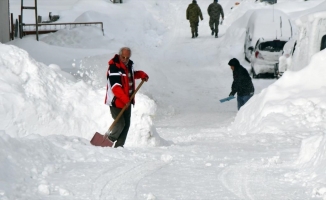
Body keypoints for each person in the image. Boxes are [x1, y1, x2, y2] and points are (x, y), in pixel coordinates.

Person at [105, 47, 149, 148]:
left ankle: (119, 147)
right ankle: (107, 141)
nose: (125, 60)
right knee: (120, 124)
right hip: (116, 101)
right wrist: (125, 99)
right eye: (123, 57)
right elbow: (115, 87)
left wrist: (142, 74)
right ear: (119, 55)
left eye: (127, 58)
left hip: (127, 101)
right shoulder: (114, 67)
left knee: (126, 125)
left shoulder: (129, 66)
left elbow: (131, 75)